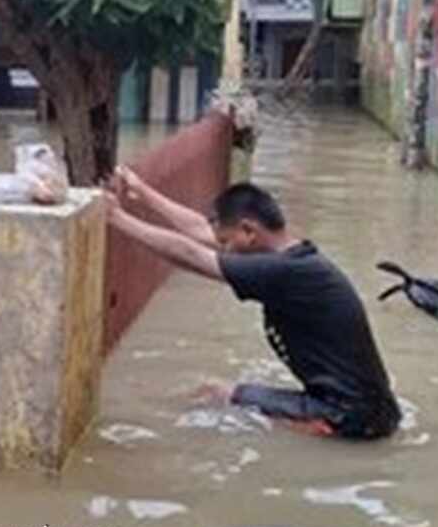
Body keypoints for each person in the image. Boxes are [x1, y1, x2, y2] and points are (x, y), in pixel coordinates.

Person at [106, 167, 402, 440]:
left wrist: (118, 218)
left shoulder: (282, 271)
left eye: (227, 243)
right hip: (371, 411)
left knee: (213, 397)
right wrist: (142, 190)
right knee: (217, 394)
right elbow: (202, 231)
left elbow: (191, 255)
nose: (224, 250)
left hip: (351, 418)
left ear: (249, 231)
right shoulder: (293, 257)